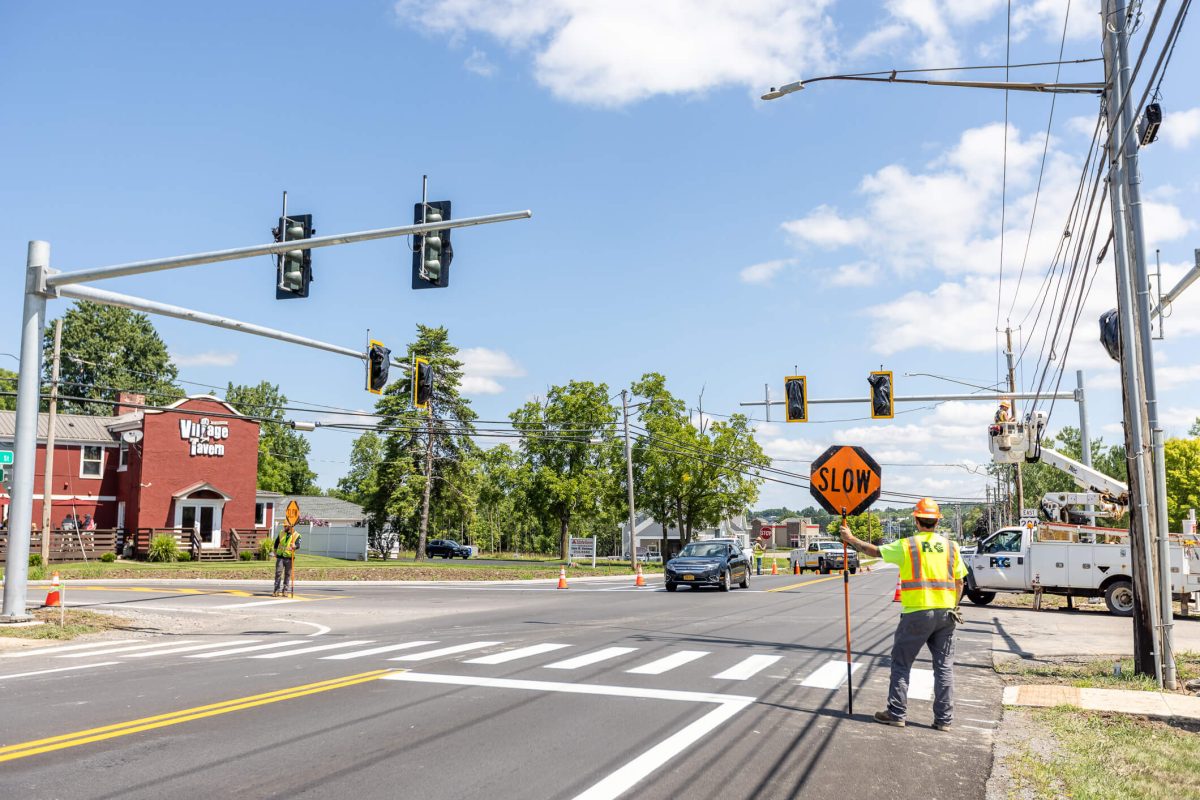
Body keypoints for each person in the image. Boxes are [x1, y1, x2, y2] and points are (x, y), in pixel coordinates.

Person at [839, 497, 967, 730]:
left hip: (916, 613)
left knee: (901, 663)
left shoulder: (908, 545)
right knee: (944, 667)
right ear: (937, 522)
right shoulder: (951, 547)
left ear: (917, 521)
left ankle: (897, 713)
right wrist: (953, 606)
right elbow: (959, 582)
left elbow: (875, 551)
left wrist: (851, 539)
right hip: (946, 614)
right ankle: (943, 720)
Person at [272, 524, 301, 597]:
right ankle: (276, 590)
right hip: (280, 557)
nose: (284, 527)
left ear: (290, 526)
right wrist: (275, 552)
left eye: (285, 526)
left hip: (289, 558)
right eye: (284, 526)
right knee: (278, 573)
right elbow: (276, 542)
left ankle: (285, 590)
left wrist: (295, 546)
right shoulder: (281, 533)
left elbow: (298, 545)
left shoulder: (297, 535)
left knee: (287, 575)